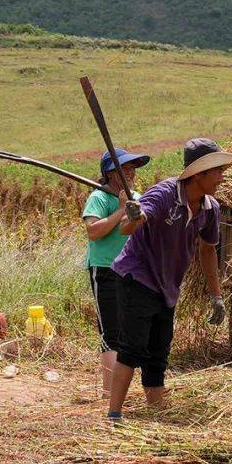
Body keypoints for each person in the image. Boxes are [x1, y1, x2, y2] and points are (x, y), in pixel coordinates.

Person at [106, 138, 232, 421]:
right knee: (132, 347)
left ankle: (157, 413)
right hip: (136, 276)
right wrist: (131, 213)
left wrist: (216, 295)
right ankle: (114, 414)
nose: (221, 178)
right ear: (198, 174)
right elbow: (128, 227)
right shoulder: (164, 194)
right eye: (216, 171)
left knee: (159, 350)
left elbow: (208, 251)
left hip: (167, 285)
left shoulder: (210, 208)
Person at [82, 147, 150, 399]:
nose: (131, 172)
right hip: (105, 269)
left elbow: (133, 230)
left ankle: (124, 389)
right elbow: (93, 231)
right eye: (125, 168)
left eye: (132, 167)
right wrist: (121, 210)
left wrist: (134, 212)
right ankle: (109, 393)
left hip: (130, 270)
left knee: (129, 328)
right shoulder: (99, 198)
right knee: (110, 331)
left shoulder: (137, 197)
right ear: (111, 174)